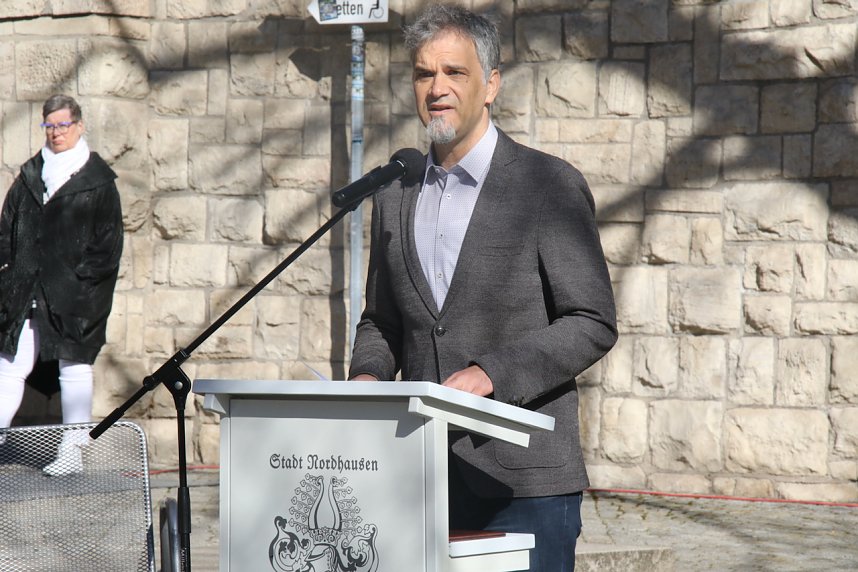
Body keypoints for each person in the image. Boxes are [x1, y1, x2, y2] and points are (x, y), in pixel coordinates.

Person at [348, 4, 617, 570]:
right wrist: (367, 379)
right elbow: (383, 320)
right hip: (419, 471)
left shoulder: (548, 185)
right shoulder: (395, 192)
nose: (437, 88)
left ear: (491, 83)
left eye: (455, 72)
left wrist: (493, 373)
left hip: (525, 484)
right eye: (424, 74)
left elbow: (590, 321)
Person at [0, 94, 123, 476]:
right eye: (49, 126)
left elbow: (108, 246)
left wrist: (81, 285)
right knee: (8, 364)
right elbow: (7, 230)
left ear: (79, 126)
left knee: (74, 366)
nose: (56, 133)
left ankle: (72, 451)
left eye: (63, 125)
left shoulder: (97, 181)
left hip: (75, 294)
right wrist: (8, 275)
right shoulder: (30, 176)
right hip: (25, 289)